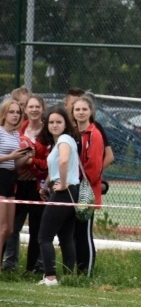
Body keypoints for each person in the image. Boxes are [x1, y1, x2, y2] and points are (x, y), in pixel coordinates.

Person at [3, 95, 48, 273]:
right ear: (26, 110)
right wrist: (22, 163)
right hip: (19, 184)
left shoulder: (48, 132)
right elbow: (13, 160)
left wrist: (32, 164)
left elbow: (47, 163)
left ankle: (33, 268)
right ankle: (9, 265)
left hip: (38, 186)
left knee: (37, 229)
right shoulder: (17, 131)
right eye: (30, 107)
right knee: (12, 227)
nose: (34, 110)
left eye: (38, 106)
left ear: (42, 109)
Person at [37, 105, 81, 286]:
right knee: (65, 237)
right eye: (51, 122)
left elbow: (63, 161)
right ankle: (70, 276)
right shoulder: (58, 142)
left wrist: (62, 183)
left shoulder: (64, 139)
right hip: (70, 192)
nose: (54, 125)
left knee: (44, 236)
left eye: (58, 122)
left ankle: (50, 277)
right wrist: (47, 184)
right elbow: (57, 166)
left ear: (65, 124)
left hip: (64, 192)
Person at [71, 95, 105, 276]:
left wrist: (80, 184)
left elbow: (94, 166)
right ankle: (74, 268)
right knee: (74, 233)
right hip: (72, 190)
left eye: (84, 109)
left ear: (91, 111)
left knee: (84, 233)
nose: (81, 112)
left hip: (86, 191)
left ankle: (87, 272)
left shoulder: (95, 134)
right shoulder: (71, 133)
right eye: (77, 109)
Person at [0, 98, 30, 267]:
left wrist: (25, 157)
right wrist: (10, 156)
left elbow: (14, 165)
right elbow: (7, 159)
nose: (15, 115)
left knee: (10, 230)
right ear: (4, 113)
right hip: (0, 177)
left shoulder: (17, 134)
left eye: (18, 112)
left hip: (10, 179)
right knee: (2, 228)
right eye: (11, 112)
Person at [65, 88, 114, 168]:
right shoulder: (60, 126)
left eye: (83, 107)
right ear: (66, 105)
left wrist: (93, 174)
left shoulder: (95, 128)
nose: (80, 111)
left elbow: (109, 156)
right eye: (75, 104)